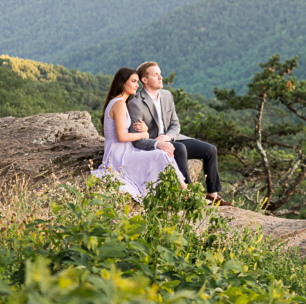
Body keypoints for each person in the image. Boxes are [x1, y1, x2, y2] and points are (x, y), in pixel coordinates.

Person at [128, 61, 232, 206]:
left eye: (160, 74)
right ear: (144, 80)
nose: (161, 77)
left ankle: (212, 195)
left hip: (172, 138)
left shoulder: (167, 95)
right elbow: (137, 140)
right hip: (154, 144)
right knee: (180, 149)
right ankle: (189, 195)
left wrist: (168, 136)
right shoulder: (136, 103)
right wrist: (159, 142)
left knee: (210, 150)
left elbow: (175, 124)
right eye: (155, 75)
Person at [91, 67, 185, 199]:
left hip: (125, 151)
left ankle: (182, 193)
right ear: (123, 82)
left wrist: (144, 129)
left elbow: (125, 130)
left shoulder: (120, 102)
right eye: (133, 81)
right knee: (160, 155)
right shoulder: (119, 104)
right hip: (119, 156)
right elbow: (122, 136)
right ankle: (187, 193)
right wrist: (144, 135)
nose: (137, 85)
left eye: (137, 82)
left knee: (161, 155)